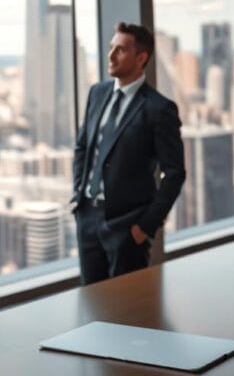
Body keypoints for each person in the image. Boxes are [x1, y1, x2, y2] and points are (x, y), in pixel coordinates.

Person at [71, 22, 186, 285]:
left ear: (141, 57)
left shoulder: (159, 109)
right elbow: (82, 146)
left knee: (127, 312)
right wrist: (78, 196)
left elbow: (175, 173)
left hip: (128, 226)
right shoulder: (97, 93)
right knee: (91, 303)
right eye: (111, 47)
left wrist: (144, 227)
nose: (110, 56)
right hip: (87, 217)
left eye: (120, 50)